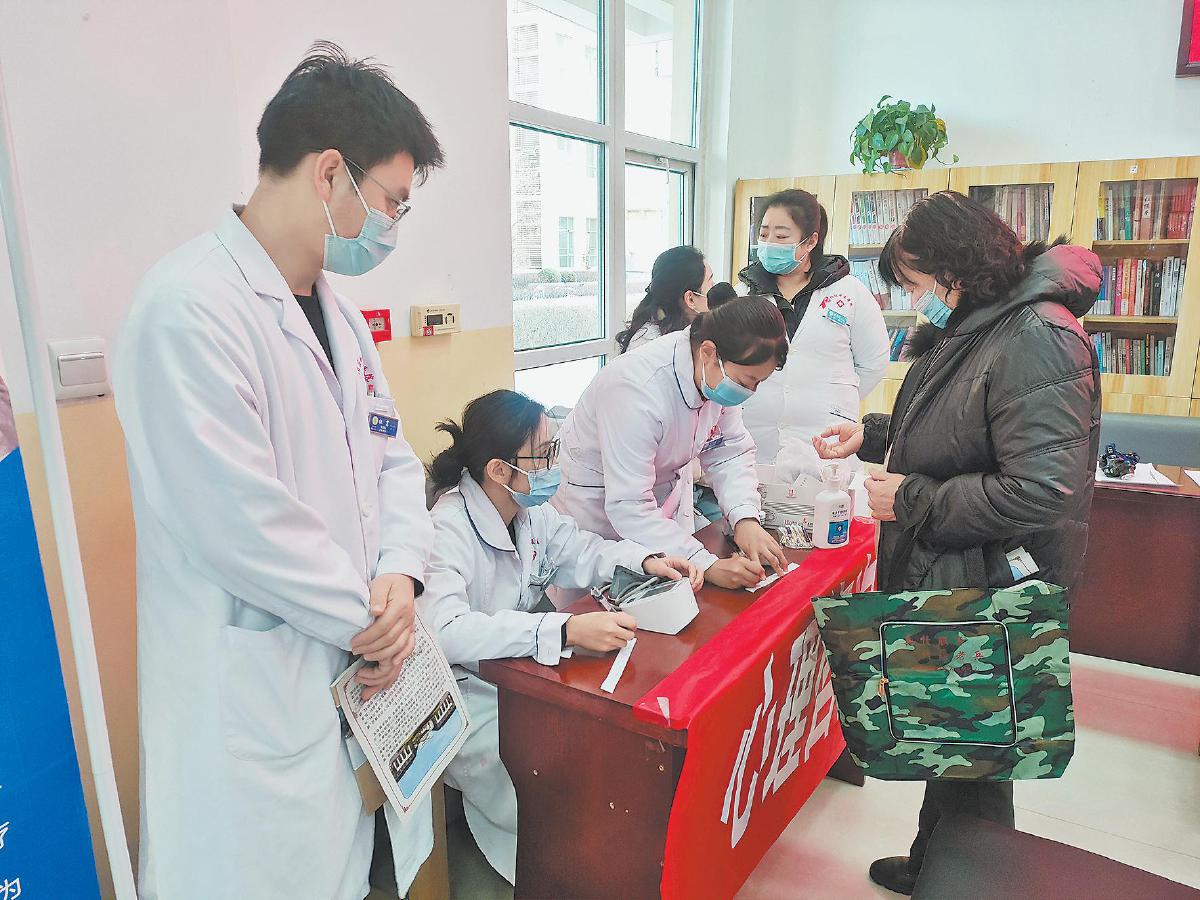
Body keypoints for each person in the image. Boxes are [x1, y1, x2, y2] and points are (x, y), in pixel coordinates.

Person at [113, 44, 445, 900]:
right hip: (252, 694)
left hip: (351, 662)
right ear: (330, 173)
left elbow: (391, 456)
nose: (393, 227)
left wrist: (402, 574)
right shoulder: (188, 309)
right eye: (391, 203)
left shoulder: (342, 319)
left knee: (345, 872)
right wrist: (375, 620)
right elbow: (240, 524)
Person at [814, 190, 1101, 895]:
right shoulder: (984, 324)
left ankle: (968, 883)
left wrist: (912, 499)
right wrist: (874, 436)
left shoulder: (1037, 335)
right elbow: (962, 429)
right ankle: (934, 866)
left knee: (978, 763)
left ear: (958, 268)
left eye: (918, 284)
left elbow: (1044, 489)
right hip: (960, 570)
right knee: (953, 744)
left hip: (994, 582)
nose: (917, 302)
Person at [419, 389, 702, 882]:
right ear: (499, 470)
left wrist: (643, 560)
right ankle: (551, 869)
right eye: (544, 454)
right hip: (465, 690)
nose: (554, 466)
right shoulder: (448, 528)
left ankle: (593, 856)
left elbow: (580, 549)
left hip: (520, 667)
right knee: (547, 769)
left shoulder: (528, 511)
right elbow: (447, 632)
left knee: (594, 738)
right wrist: (564, 628)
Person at [554, 296, 791, 590]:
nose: (749, 392)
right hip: (597, 514)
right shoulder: (636, 389)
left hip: (654, 511)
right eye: (745, 382)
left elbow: (728, 452)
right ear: (709, 352)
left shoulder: (714, 376)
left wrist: (745, 519)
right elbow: (629, 505)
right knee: (600, 606)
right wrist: (706, 564)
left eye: (758, 383)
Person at [739, 189, 890, 464]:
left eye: (781, 236)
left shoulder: (850, 292)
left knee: (825, 490)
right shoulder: (744, 294)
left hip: (826, 440)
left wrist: (834, 398)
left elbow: (873, 363)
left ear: (810, 241)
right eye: (763, 234)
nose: (769, 243)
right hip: (755, 441)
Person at [616, 245, 713, 353]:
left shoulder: (688, 330)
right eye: (711, 282)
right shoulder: (651, 344)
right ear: (690, 299)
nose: (715, 288)